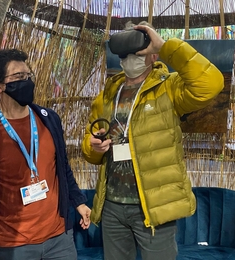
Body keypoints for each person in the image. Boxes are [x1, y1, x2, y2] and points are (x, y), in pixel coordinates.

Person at [81, 21, 224, 260]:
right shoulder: (108, 94)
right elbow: (90, 144)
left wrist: (165, 46)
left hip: (153, 206)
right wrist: (93, 147)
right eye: (125, 54)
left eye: (137, 52)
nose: (130, 59)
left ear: (152, 54)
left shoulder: (168, 87)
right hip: (113, 205)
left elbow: (210, 84)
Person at [0, 49, 91, 260]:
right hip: (12, 246)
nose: (27, 81)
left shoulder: (49, 119)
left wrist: (78, 201)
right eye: (18, 77)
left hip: (59, 241)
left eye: (28, 75)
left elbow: (62, 167)